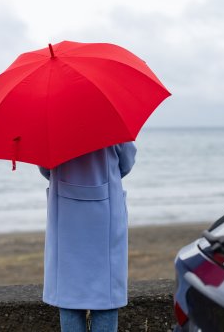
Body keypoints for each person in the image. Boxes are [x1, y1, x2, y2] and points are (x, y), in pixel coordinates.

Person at [39, 142, 137, 332]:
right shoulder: (111, 121)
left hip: (65, 214)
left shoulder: (51, 126)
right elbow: (126, 163)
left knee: (68, 293)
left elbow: (45, 168)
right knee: (106, 294)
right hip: (104, 213)